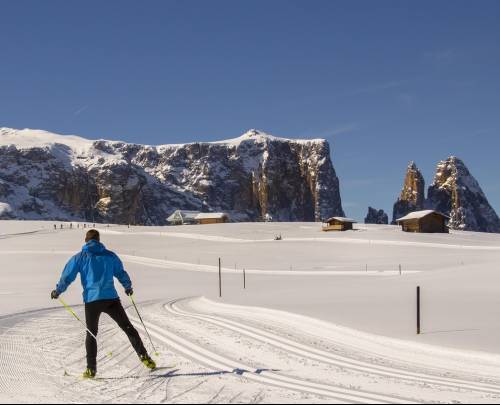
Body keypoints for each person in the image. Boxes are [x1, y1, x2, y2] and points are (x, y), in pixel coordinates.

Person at [51, 229, 156, 379]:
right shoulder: (109, 255)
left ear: (86, 240)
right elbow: (120, 272)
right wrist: (127, 286)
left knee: (92, 334)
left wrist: (58, 291)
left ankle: (91, 370)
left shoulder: (79, 257)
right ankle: (145, 358)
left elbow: (67, 276)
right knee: (127, 327)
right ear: (99, 240)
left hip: (92, 300)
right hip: (111, 299)